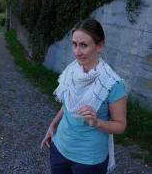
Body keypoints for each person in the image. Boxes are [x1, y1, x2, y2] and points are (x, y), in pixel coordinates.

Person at [40, 18, 127, 174]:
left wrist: (96, 122)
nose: (77, 52)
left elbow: (120, 125)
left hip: (89, 161)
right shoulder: (72, 71)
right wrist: (53, 124)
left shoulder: (112, 84)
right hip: (60, 148)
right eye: (74, 44)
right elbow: (69, 104)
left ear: (99, 46)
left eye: (84, 45)